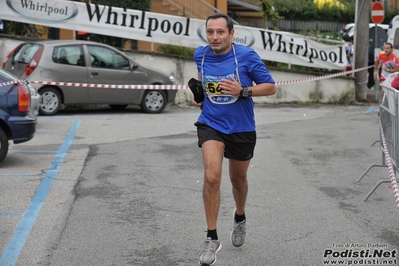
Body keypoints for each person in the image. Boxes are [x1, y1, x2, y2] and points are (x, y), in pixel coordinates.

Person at [191, 12, 276, 266]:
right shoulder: (201, 54)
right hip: (211, 124)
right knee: (212, 176)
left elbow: (270, 86)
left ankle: (240, 218)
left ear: (231, 33)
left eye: (220, 32)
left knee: (237, 179)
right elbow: (203, 81)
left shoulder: (246, 56)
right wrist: (199, 95)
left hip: (241, 127)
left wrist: (243, 91)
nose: (215, 37)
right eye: (210, 32)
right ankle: (211, 237)